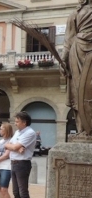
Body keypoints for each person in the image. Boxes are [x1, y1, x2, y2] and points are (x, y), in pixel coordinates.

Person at [60, 0, 92, 133]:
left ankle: (83, 129)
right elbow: (68, 39)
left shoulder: (75, 13)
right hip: (78, 51)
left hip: (77, 49)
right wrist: (64, 59)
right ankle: (83, 129)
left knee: (80, 90)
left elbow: (68, 39)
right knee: (80, 91)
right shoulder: (75, 13)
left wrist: (63, 59)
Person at [4, 111, 36, 198]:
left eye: (17, 121)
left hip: (22, 164)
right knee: (16, 192)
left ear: (24, 122)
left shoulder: (30, 133)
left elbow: (14, 145)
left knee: (23, 192)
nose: (15, 123)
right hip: (14, 163)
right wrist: (16, 147)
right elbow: (8, 144)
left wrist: (15, 147)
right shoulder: (18, 132)